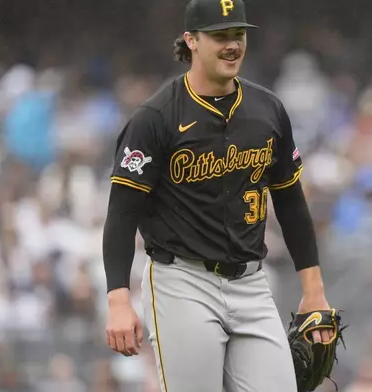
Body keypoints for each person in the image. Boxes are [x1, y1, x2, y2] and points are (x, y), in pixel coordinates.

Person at [102, 0, 334, 390]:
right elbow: (123, 213)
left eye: (238, 34)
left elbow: (291, 202)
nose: (232, 45)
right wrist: (118, 299)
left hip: (252, 282)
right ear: (190, 40)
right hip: (182, 283)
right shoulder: (156, 118)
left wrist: (314, 292)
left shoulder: (268, 110)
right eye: (220, 35)